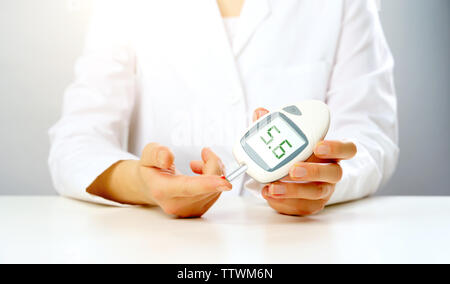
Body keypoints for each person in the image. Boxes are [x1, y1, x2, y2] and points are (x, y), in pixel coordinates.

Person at [49, 0, 398, 217]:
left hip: (303, 248)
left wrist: (325, 180)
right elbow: (76, 141)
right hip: (161, 248)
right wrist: (142, 185)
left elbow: (370, 136)